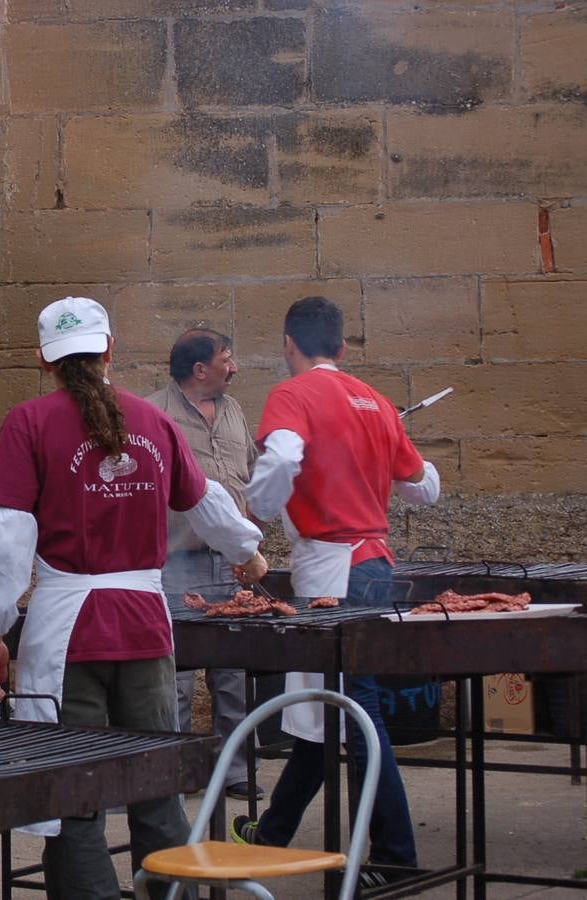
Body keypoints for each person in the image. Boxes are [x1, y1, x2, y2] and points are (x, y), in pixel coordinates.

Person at [0, 296, 268, 900]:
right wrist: (248, 551)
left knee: (73, 788)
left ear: (43, 360)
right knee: (154, 780)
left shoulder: (30, 422)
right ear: (111, 350)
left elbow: (10, 540)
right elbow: (205, 497)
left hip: (68, 630)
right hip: (144, 625)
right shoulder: (153, 421)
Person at [234, 296, 441, 876]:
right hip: (375, 563)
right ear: (343, 346)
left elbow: (281, 460)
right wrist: (378, 441)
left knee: (355, 709)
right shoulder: (374, 400)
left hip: (331, 567)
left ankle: (398, 856)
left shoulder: (292, 395)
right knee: (328, 707)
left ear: (287, 344)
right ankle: (272, 835)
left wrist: (255, 519)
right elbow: (426, 486)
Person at [146, 329, 261, 802]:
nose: (233, 367)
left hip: (229, 565)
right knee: (174, 678)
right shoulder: (155, 413)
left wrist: (247, 546)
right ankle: (174, 772)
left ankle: (235, 769)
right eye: (226, 359)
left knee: (233, 675)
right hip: (179, 562)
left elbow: (246, 477)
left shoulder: (234, 411)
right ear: (199, 370)